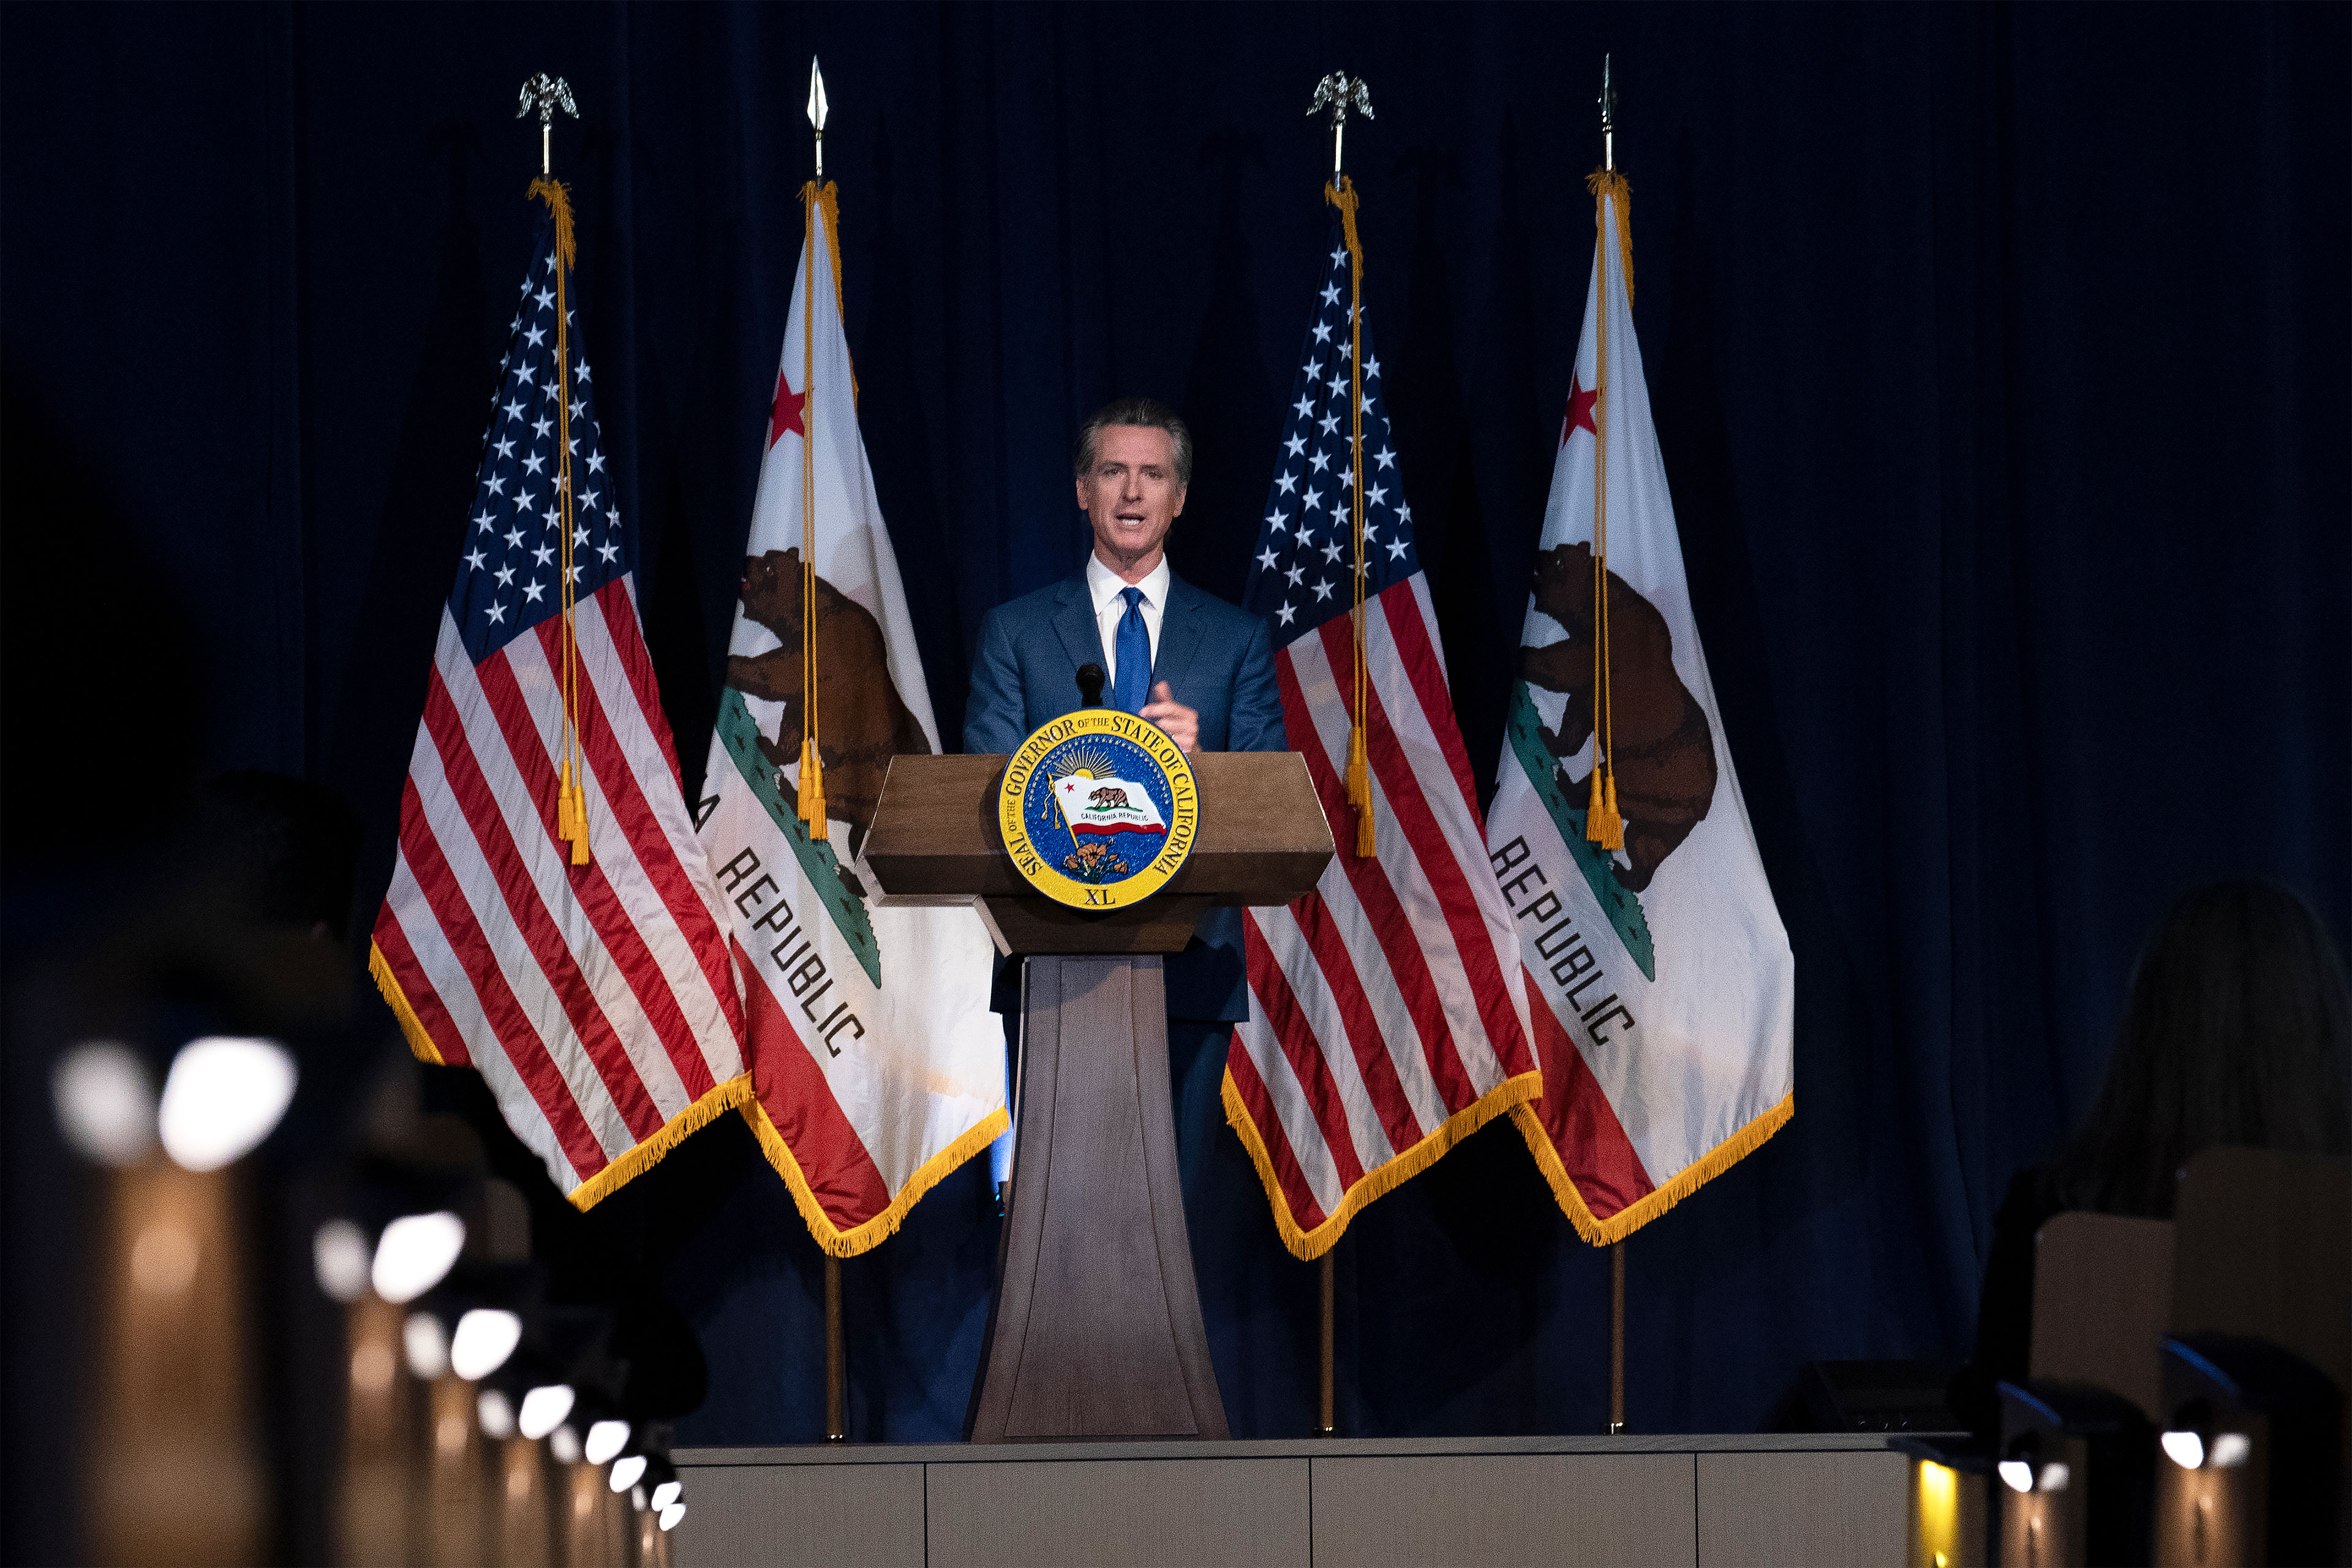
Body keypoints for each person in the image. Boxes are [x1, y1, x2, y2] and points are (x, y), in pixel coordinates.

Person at [1950, 879, 2352, 1439]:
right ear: (2322, 1029)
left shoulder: (2055, 1214)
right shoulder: (2334, 1229)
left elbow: (2000, 1415)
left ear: (2149, 1024)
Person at [963, 396, 1285, 1022]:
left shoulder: (1235, 639)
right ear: (1084, 490)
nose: (1132, 492)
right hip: (1049, 961)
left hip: (1192, 966)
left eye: (1153, 475)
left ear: (1180, 497)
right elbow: (989, 780)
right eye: (1113, 472)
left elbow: (1270, 803)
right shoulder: (1016, 631)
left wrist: (1200, 765)